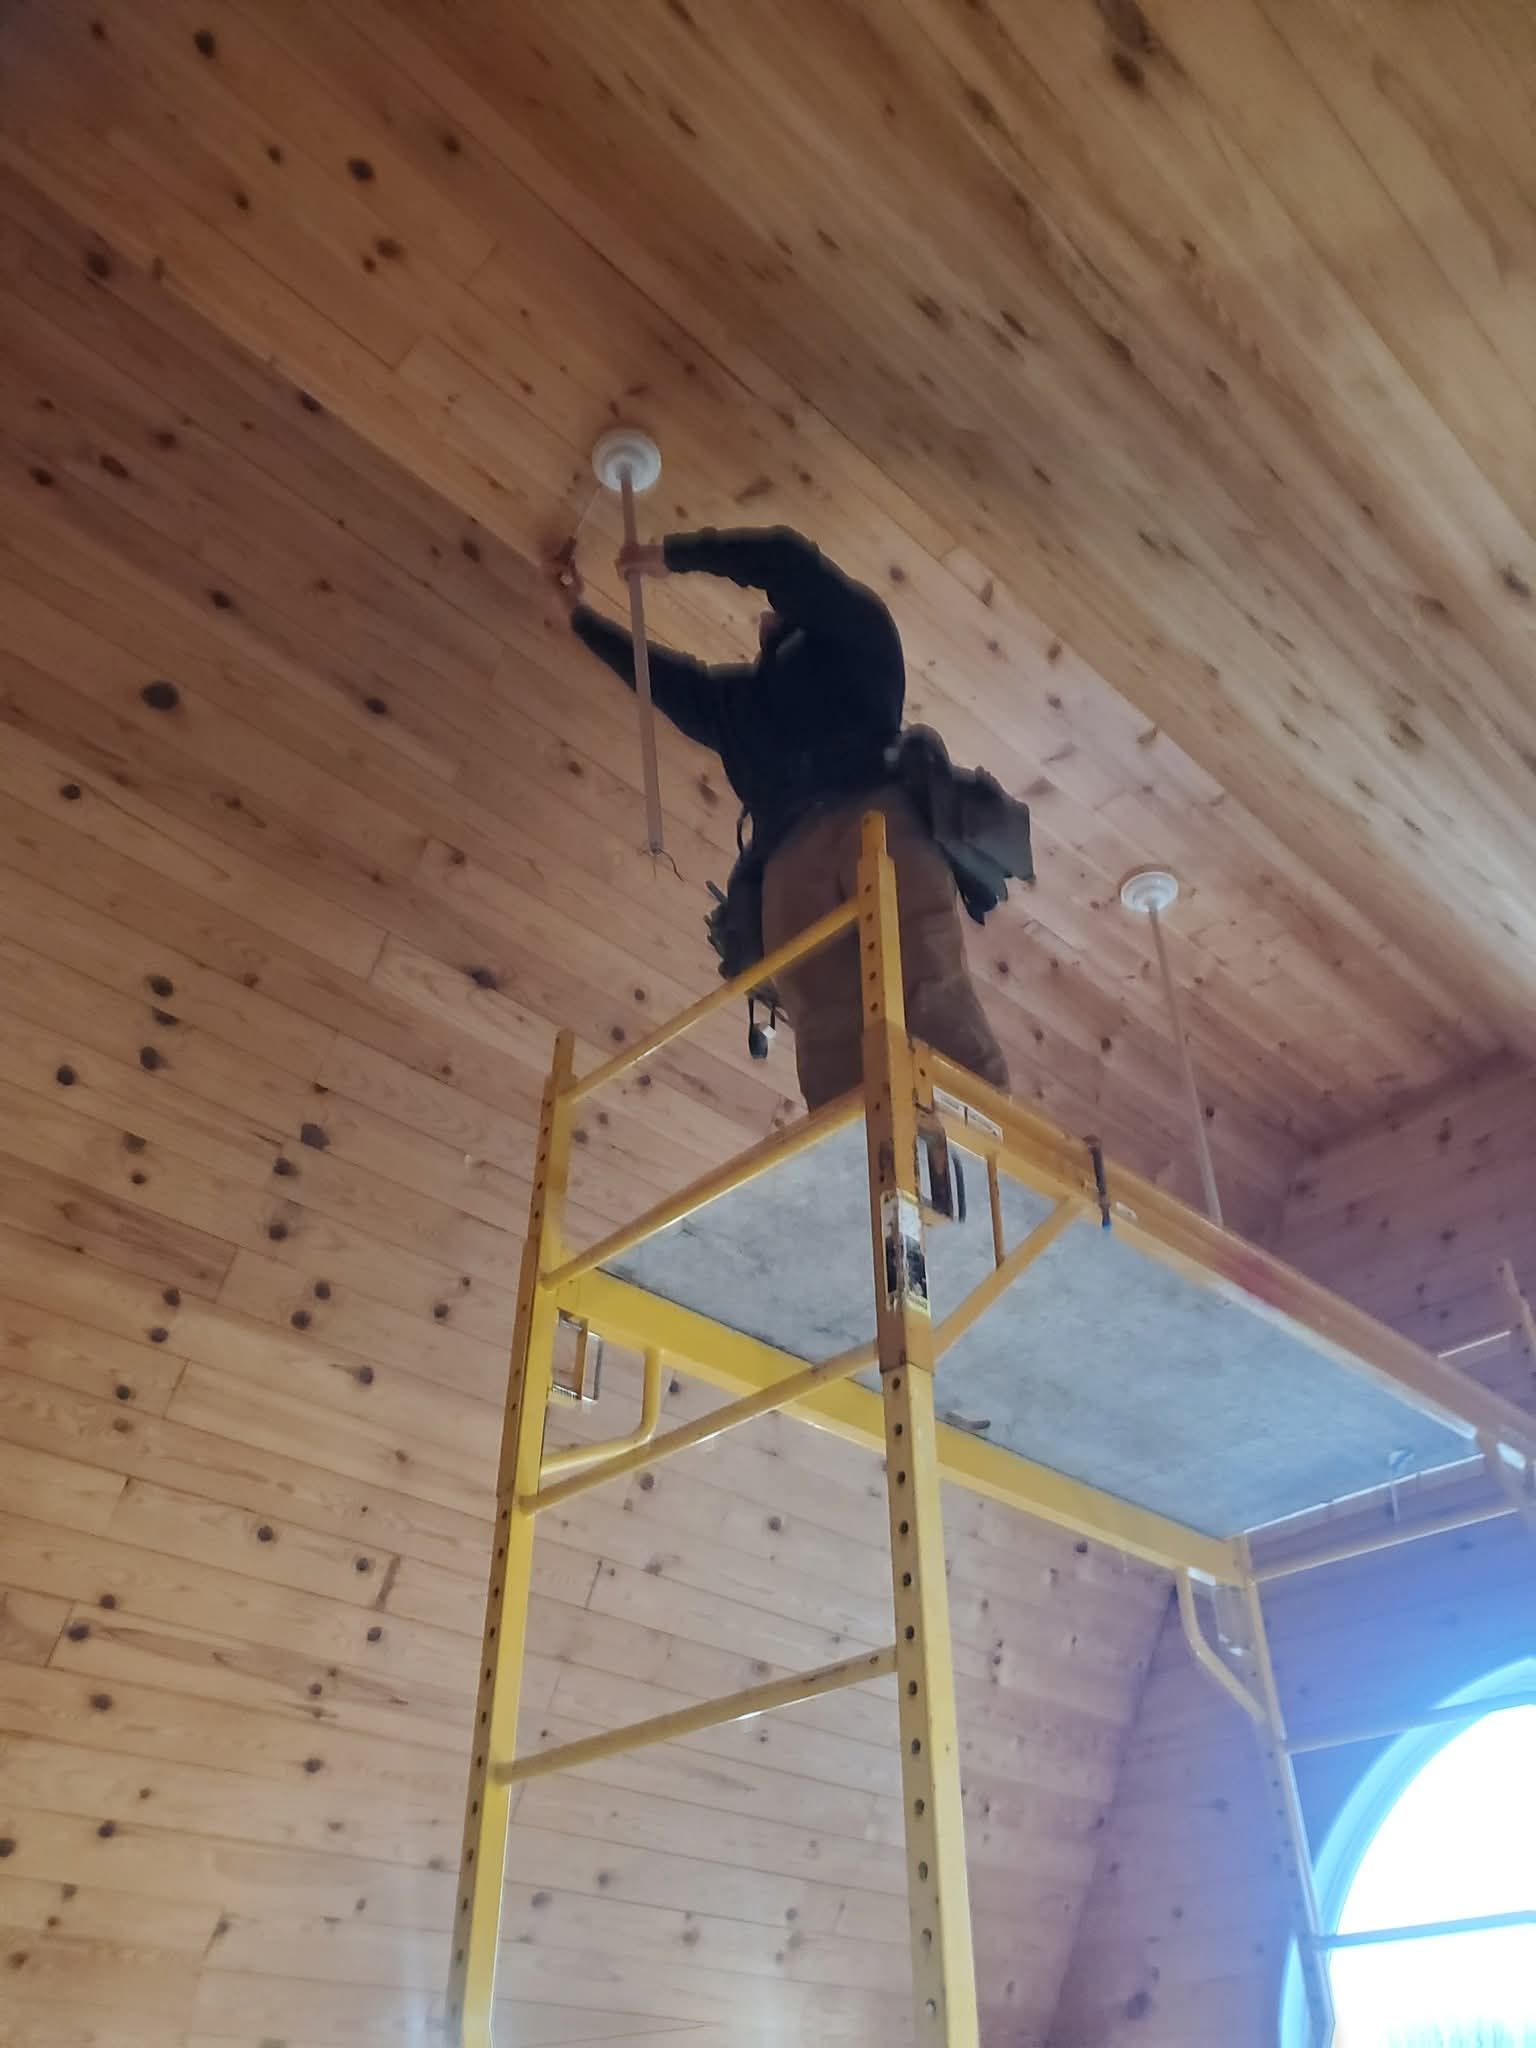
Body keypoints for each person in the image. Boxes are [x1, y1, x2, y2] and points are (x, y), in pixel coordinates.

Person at [553, 524, 1009, 1111]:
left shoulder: (854, 638)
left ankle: (972, 1142)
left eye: (771, 613)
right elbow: (658, 681)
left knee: (914, 983)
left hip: (858, 827)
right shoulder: (743, 702)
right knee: (833, 1022)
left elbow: (783, 561)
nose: (760, 619)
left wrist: (673, 555)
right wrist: (579, 615)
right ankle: (878, 1161)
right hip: (808, 854)